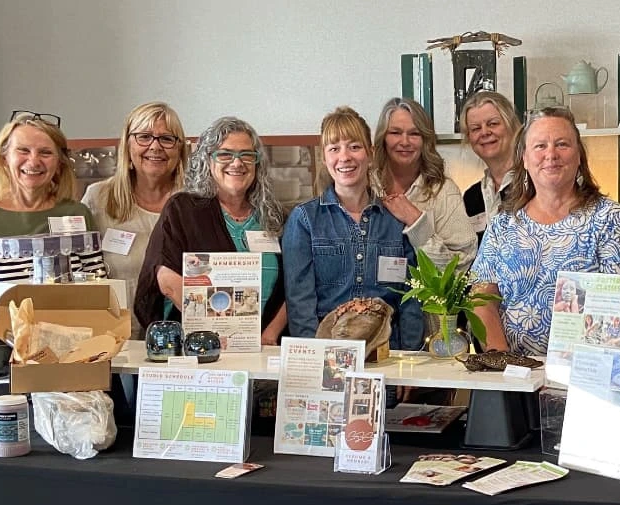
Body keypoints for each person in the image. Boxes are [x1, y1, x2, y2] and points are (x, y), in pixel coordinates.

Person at [470, 106, 620, 355]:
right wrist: (503, 361)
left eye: (562, 144)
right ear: (524, 158)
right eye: (540, 146)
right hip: (513, 371)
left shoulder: (608, 218)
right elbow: (481, 300)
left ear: (579, 156)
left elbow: (614, 308)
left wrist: (567, 368)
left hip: (583, 369)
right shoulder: (502, 224)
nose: (551, 154)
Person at [0, 111, 103, 336]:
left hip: (75, 345)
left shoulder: (78, 213)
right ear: (4, 158)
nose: (34, 161)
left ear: (59, 163)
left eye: (45, 152)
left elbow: (98, 281)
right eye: (23, 150)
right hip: (5, 349)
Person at [135, 116, 288, 345]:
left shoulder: (275, 217)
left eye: (247, 155)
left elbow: (293, 285)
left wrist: (269, 336)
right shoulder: (184, 210)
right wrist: (215, 332)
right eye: (225, 154)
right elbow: (167, 279)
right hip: (198, 346)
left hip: (262, 346)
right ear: (208, 160)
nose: (237, 163)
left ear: (257, 163)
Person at [283, 106, 423, 350]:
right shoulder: (305, 220)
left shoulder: (395, 219)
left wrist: (410, 358)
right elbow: (300, 303)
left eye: (354, 147)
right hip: (327, 353)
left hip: (386, 354)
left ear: (370, 153)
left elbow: (411, 299)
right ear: (324, 157)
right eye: (334, 149)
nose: (345, 157)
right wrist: (313, 357)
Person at [82, 101, 189, 337]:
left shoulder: (195, 204)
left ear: (180, 150)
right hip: (115, 340)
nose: (155, 146)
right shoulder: (98, 198)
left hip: (180, 341)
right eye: (144, 137)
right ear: (127, 145)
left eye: (167, 138)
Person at [372, 97, 477, 271]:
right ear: (382, 137)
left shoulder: (444, 191)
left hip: (425, 289)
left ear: (425, 140)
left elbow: (460, 267)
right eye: (395, 133)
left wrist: (417, 223)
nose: (405, 142)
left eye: (414, 134)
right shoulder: (366, 185)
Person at [459, 90, 522, 244]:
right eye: (475, 128)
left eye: (493, 124)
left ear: (512, 126)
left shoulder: (534, 186)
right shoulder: (471, 197)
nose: (485, 132)